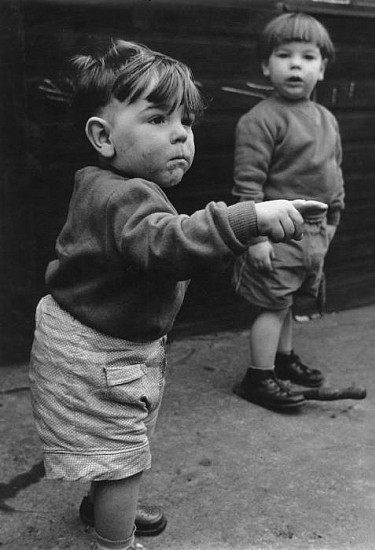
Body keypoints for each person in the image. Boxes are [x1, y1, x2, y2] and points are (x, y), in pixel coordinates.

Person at [28, 38, 326, 550]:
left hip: (98, 339)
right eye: (157, 119)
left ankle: (103, 507)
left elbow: (170, 241)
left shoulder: (105, 184)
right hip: (98, 353)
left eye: (185, 122)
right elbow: (169, 242)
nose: (180, 136)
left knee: (118, 444)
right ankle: (116, 540)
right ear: (103, 136)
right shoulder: (123, 196)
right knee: (123, 453)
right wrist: (248, 218)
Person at [232, 12, 345, 412]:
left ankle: (282, 361)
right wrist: (257, 238)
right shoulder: (260, 120)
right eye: (284, 55)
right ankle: (258, 377)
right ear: (267, 65)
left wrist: (332, 221)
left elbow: (334, 172)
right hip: (277, 233)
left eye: (308, 56)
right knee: (272, 303)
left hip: (313, 234)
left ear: (322, 67)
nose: (296, 64)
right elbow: (248, 186)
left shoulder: (326, 119)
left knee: (291, 300)